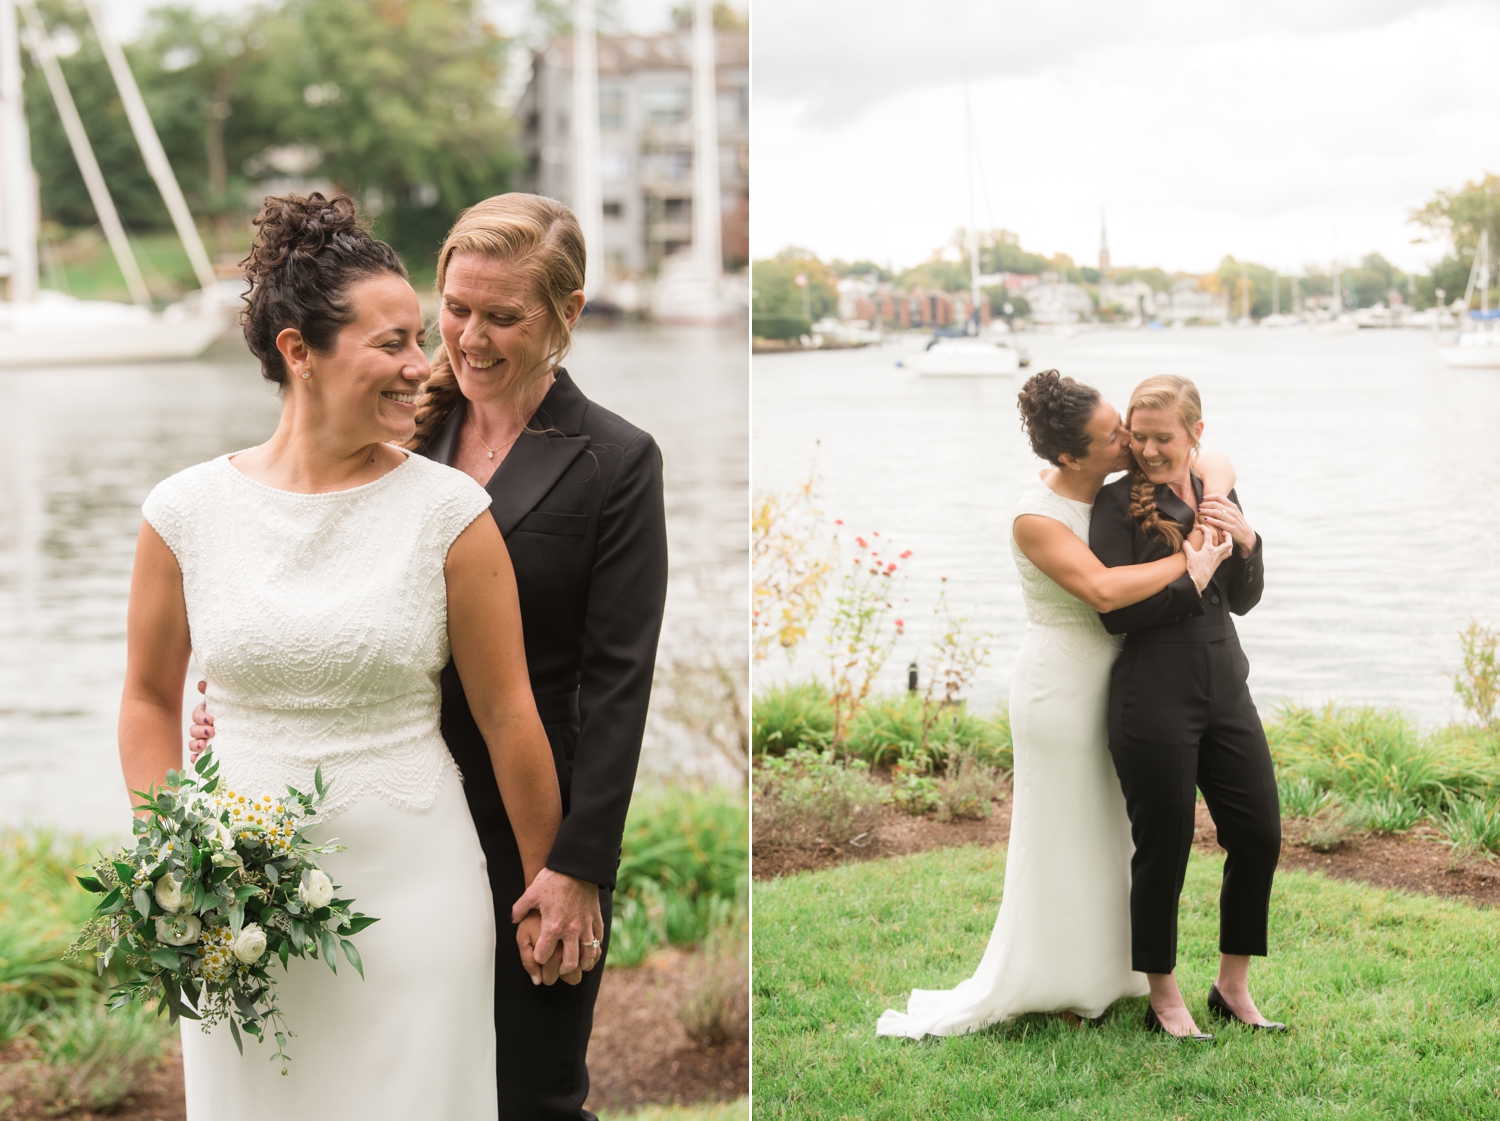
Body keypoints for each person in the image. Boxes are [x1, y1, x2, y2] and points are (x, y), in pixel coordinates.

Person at [192, 194, 669, 1117]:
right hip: (386, 816)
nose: (469, 338)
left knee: (534, 1087)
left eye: (503, 316)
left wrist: (577, 866)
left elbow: (620, 681)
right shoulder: (394, 422)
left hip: (534, 814)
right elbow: (294, 556)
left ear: (568, 316)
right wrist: (240, 704)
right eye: (455, 307)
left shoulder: (616, 460)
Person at [121, 193, 562, 1118]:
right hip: (232, 909)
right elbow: (148, 699)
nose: (422, 366)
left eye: (418, 338)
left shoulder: (451, 515)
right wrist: (176, 860)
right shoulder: (184, 513)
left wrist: (550, 885)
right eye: (392, 343)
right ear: (298, 351)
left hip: (415, 897)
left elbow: (509, 714)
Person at [877, 369, 1234, 1039]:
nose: (1128, 439)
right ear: (1071, 454)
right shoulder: (1034, 517)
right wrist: (1191, 560)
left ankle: (1109, 973)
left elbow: (1212, 454)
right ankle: (1054, 977)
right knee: (1062, 834)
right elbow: (1100, 589)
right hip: (1060, 689)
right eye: (1112, 434)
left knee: (1111, 831)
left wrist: (1211, 498)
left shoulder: (1108, 488)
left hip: (1121, 681)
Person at [1090, 373, 1284, 1039]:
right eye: (1138, 437)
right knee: (1164, 848)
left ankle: (1232, 986)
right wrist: (1190, 577)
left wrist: (1249, 541)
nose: (1147, 448)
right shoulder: (1115, 508)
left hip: (1227, 686)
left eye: (1162, 437)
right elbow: (1116, 615)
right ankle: (1163, 994)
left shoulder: (1214, 490)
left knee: (1259, 833)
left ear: (1195, 434)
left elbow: (1245, 598)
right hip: (1152, 696)